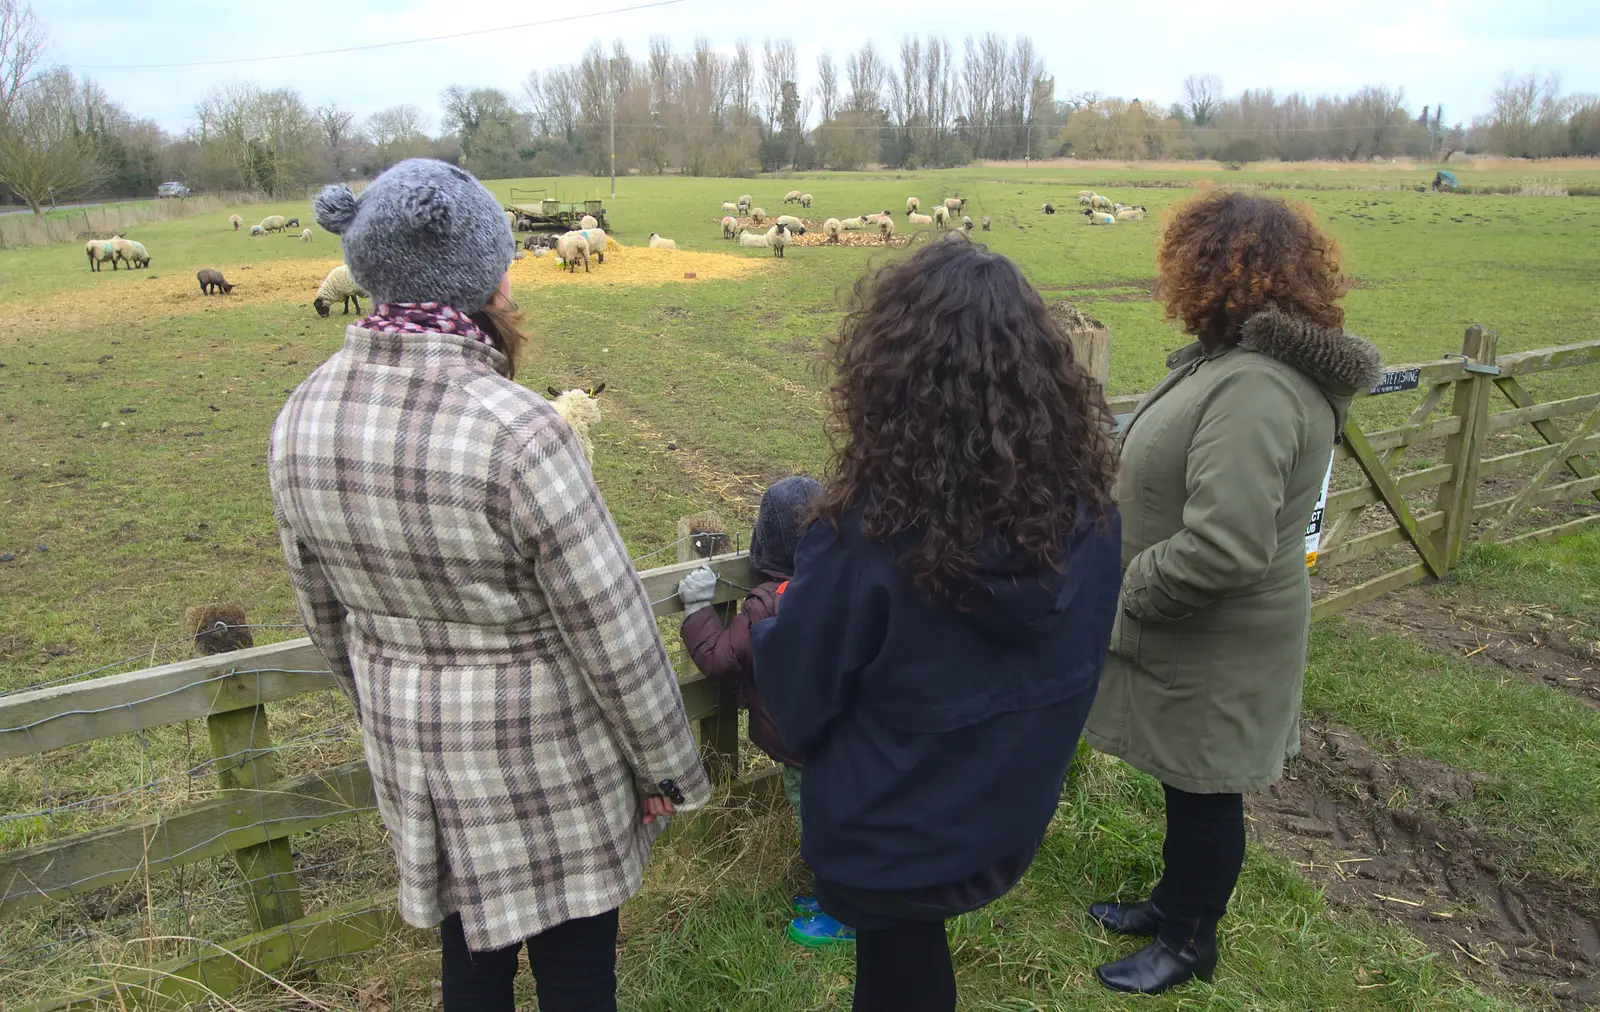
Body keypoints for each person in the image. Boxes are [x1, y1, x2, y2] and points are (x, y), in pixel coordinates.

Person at [268, 159, 709, 1012]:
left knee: (469, 965)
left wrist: (387, 709)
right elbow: (610, 627)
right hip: (545, 761)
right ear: (490, 275)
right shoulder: (519, 430)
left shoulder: (302, 417)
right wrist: (665, 767)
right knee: (577, 972)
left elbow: (324, 620)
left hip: (416, 758)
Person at [750, 237, 1123, 1012]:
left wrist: (768, 620)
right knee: (906, 958)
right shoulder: (1087, 515)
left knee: (895, 958)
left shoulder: (866, 535)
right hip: (1004, 806)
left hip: (888, 829)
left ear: (889, 376)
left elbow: (796, 700)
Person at [1083, 192, 1382, 995]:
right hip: (1202, 627)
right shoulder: (1233, 366)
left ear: (1212, 271)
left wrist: (1129, 593)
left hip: (1214, 629)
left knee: (1207, 783)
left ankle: (1188, 943)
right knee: (1189, 777)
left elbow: (1226, 544)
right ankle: (1169, 904)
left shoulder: (1255, 386)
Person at [674, 476, 855, 947]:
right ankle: (834, 894)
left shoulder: (764, 607)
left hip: (795, 745)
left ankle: (846, 914)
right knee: (837, 818)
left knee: (821, 826)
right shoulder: (846, 586)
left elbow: (717, 658)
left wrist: (697, 608)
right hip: (845, 740)